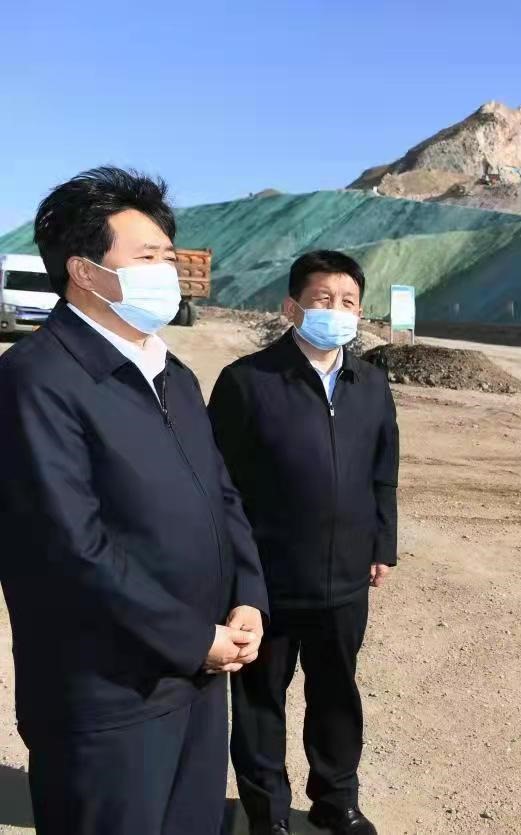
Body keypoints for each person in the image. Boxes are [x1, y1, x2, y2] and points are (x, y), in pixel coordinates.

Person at [0, 166, 268, 834]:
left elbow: (222, 495)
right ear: (84, 271)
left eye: (169, 258)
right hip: (107, 700)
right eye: (147, 258)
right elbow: (70, 548)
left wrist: (248, 597)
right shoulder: (36, 381)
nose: (167, 272)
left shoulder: (174, 373)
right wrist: (193, 638)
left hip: (196, 682)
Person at [208, 250, 399, 835]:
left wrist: (382, 544)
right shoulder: (248, 381)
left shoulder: (372, 383)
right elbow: (218, 484)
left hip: (345, 579)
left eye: (348, 302)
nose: (336, 311)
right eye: (323, 299)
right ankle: (267, 813)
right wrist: (235, 570)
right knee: (260, 701)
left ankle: (336, 800)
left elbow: (383, 471)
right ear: (292, 307)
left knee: (337, 695)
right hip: (267, 580)